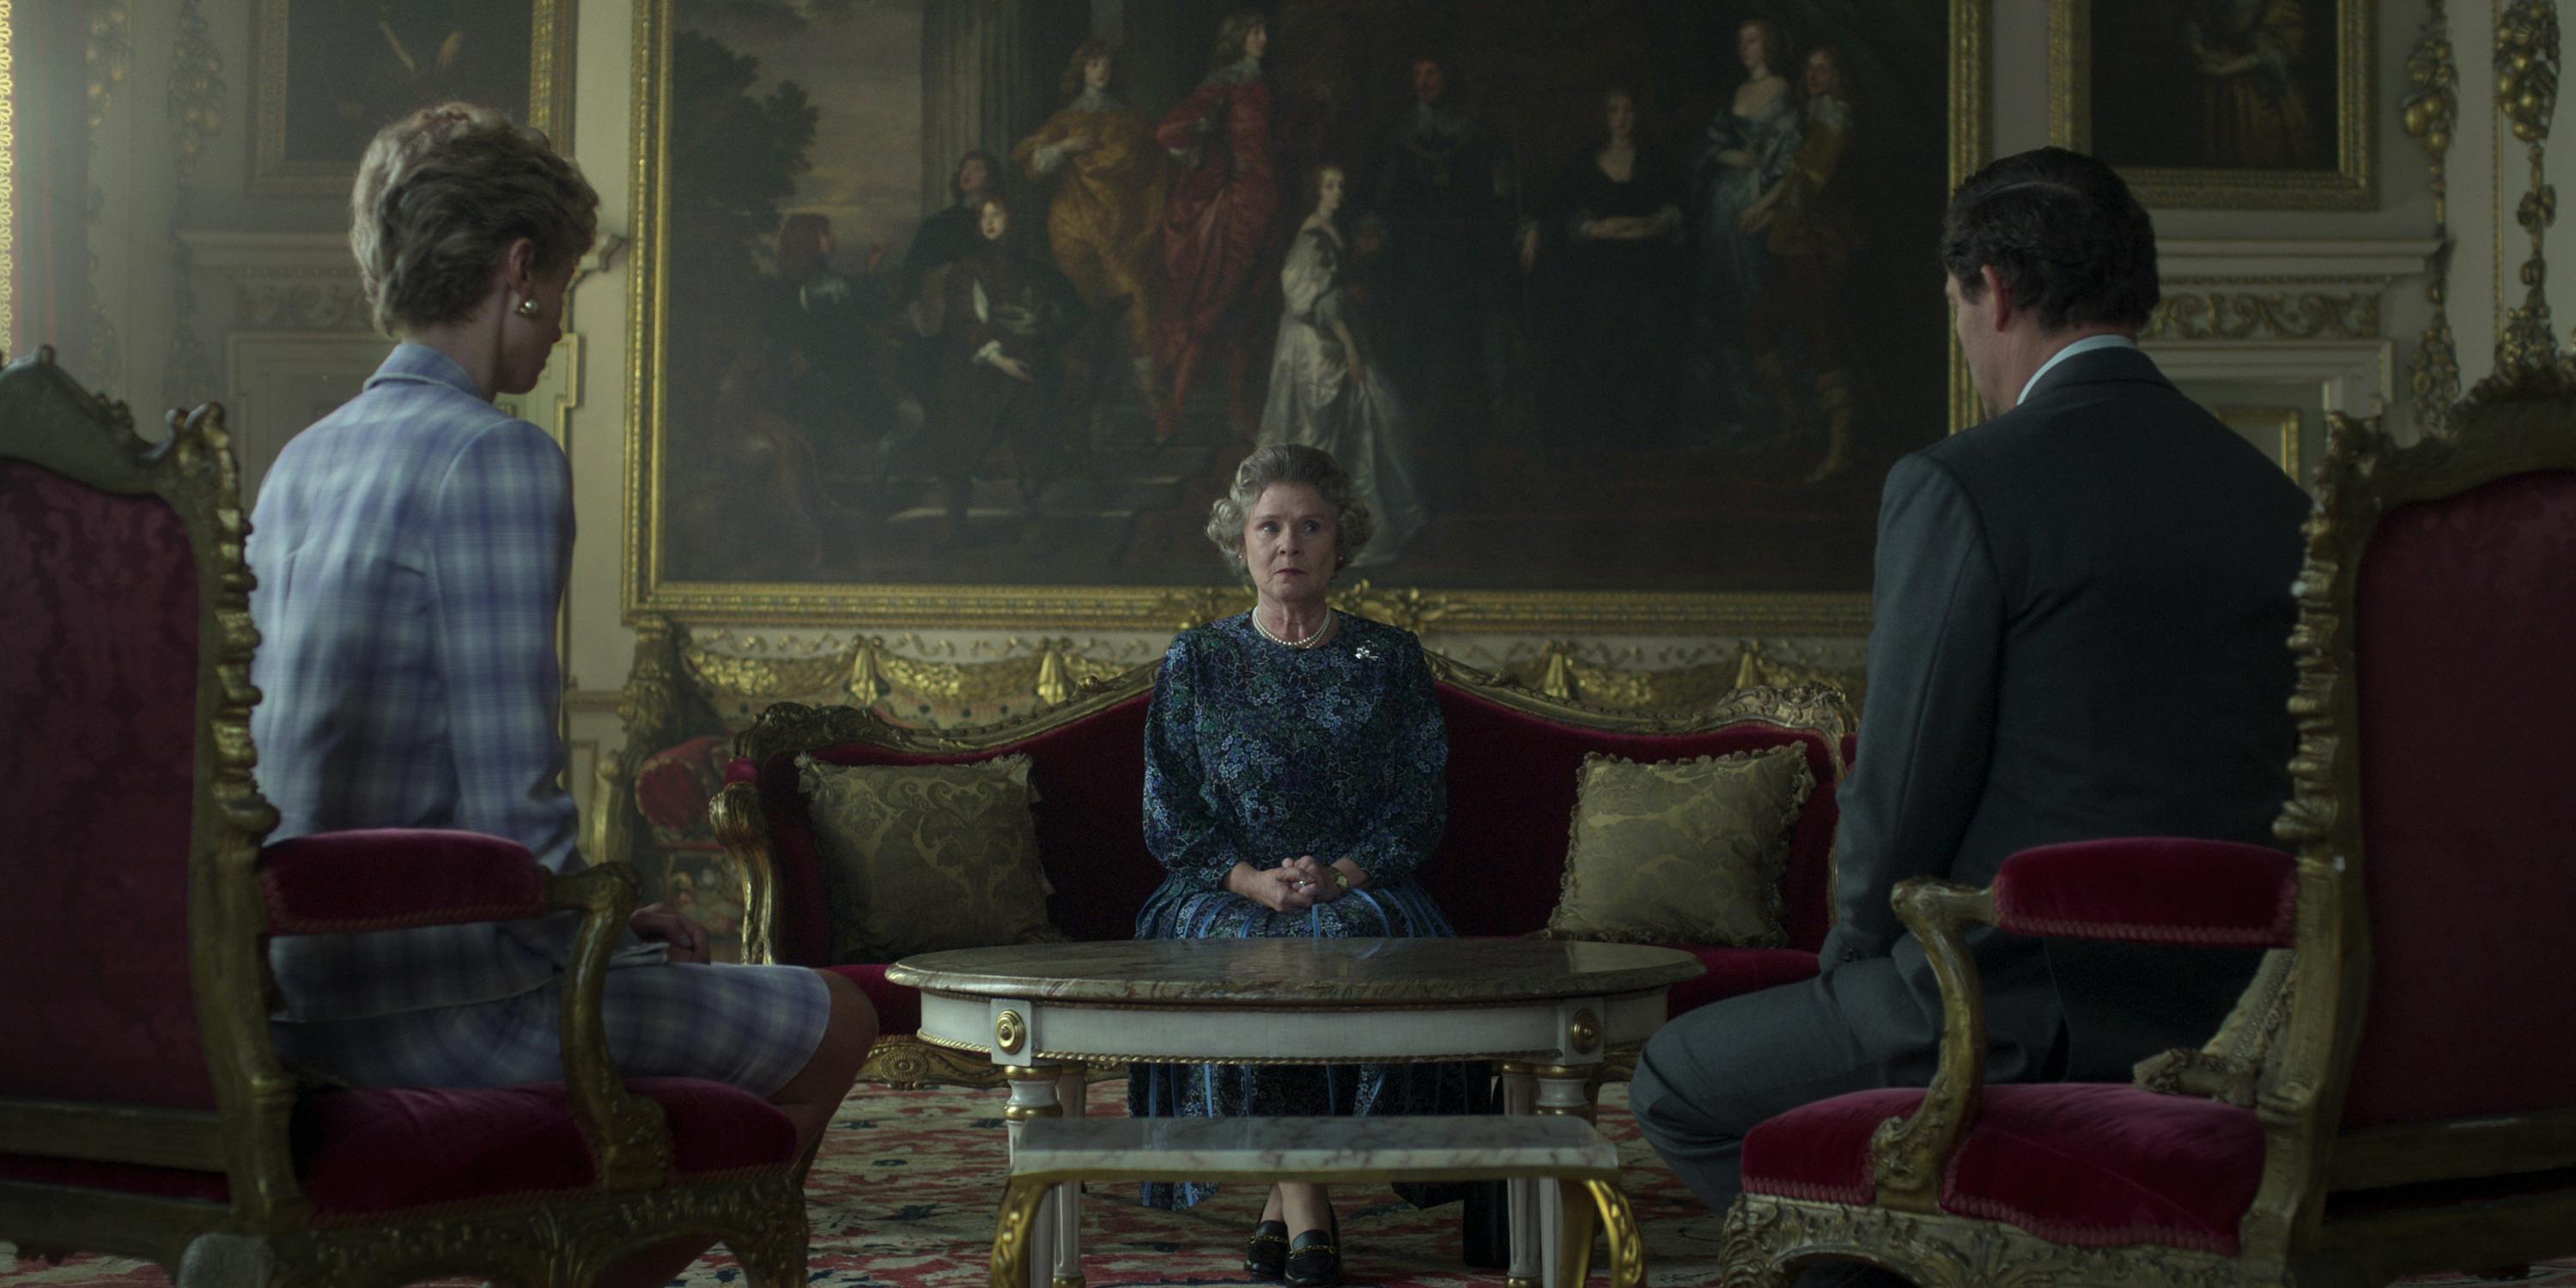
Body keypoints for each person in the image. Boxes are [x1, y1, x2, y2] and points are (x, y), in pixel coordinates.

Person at [1626, 147, 2308, 1258]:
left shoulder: (1959, 484)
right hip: (2234, 1022)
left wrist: (1850, 959)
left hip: (2002, 1007)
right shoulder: (2276, 499)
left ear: (1991, 285)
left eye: (1956, 306)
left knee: (1674, 1083)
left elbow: (1902, 789)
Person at [248, 103, 877, 1288]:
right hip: (447, 1004)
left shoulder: (302, 461)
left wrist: (598, 910)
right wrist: (601, 922)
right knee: (836, 1022)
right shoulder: (492, 457)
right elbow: (510, 810)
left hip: (294, 993)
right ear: (519, 268)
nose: (562, 319)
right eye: (568, 282)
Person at [1130, 443, 1479, 1288]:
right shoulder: (1198, 660)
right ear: (1240, 542)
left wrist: (1344, 874)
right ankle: (1310, 1206)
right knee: (1249, 949)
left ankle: (1283, 1204)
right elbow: (1167, 812)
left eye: (1310, 526)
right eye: (1269, 526)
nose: (1289, 543)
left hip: (1360, 884)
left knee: (1345, 939)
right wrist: (1251, 880)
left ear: (1340, 541)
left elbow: (1419, 807)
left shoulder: (1390, 658)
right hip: (1221, 886)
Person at [1151, 9, 1313, 443]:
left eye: (1264, 31)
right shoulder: (1223, 84)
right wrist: (1207, 147)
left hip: (1270, 203)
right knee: (1217, 300)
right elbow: (1169, 131)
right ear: (1238, 39)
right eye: (1255, 32)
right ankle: (1176, 406)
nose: (1263, 38)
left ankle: (1238, 408)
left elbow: (1278, 142)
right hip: (1239, 204)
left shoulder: (1264, 88)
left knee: (1251, 308)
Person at [1255, 164, 1426, 567]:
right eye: (1330, 185)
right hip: (1318, 347)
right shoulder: (1312, 237)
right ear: (1316, 190)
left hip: (1331, 339)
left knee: (1361, 425)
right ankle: (1313, 532)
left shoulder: (1331, 231)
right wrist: (1350, 349)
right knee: (1323, 431)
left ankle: (1337, 530)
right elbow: (1314, 299)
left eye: (1342, 184)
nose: (1338, 191)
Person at [1522, 86, 1687, 447]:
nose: (1622, 117)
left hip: (1647, 265)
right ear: (1606, 117)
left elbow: (1679, 204)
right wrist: (1591, 228)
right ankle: (1603, 433)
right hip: (1599, 267)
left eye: (1629, 110)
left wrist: (1656, 224)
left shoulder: (1656, 160)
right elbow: (1557, 207)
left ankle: (1648, 435)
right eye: (1615, 110)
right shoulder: (1586, 161)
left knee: (1649, 332)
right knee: (1598, 330)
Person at [1014, 39, 1166, 410]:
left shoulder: (1128, 120)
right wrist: (1065, 147)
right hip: (1074, 226)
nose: (1102, 70)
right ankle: (1082, 407)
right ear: (1082, 69)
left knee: (1137, 309)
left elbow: (1156, 158)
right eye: (1095, 64)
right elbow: (1031, 162)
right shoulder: (1066, 120)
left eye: (1107, 64)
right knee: (1082, 313)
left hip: (1120, 228)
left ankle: (1151, 405)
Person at [1371, 55, 1518, 439]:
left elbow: (1496, 195)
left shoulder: (1474, 133)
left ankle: (1479, 418)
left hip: (1465, 255)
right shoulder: (1400, 136)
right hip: (1418, 257)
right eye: (1417, 74)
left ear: (1447, 77)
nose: (1423, 81)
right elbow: (1385, 198)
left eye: (1431, 73)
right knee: (1420, 333)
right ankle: (1424, 414)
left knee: (1470, 332)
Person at [930, 196, 1086, 547]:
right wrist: (999, 359)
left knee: (1031, 433)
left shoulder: (1033, 270)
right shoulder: (966, 269)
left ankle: (1032, 516)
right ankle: (956, 519)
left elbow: (1067, 314)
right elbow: (966, 320)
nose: (990, 222)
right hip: (975, 366)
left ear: (1011, 220)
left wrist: (1039, 323)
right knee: (960, 433)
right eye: (984, 216)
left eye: (997, 214)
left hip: (1026, 363)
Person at [1744, 46, 1862, 482]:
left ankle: (1840, 449)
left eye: (1824, 68)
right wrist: (1768, 209)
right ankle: (1794, 424)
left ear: (1837, 75)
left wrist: (1767, 203)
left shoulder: (1834, 119)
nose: (1815, 74)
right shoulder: (1812, 115)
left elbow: (1811, 179)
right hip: (1790, 242)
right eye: (1810, 67)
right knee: (1761, 328)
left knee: (1821, 340)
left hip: (1816, 245)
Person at [1688, 17, 1801, 448]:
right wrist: (1726, 154)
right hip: (1722, 213)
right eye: (1740, 41)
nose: (1745, 47)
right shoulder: (1736, 95)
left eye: (1752, 40)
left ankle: (1774, 415)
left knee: (1755, 300)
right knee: (1722, 303)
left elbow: (1789, 162)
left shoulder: (1784, 95)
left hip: (1758, 213)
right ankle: (1733, 411)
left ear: (1768, 44)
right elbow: (1712, 145)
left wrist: (1763, 198)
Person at [2184, 0, 2318, 168]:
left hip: (2258, 94)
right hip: (2214, 95)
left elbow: (2279, 43)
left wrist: (2227, 69)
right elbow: (2195, 16)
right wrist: (2199, 51)